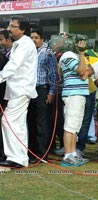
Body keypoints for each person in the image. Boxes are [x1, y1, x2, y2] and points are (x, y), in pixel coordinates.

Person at [0, 16, 38, 168]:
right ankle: (19, 158)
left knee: (9, 121)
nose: (9, 28)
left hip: (21, 89)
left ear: (22, 30)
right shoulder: (19, 44)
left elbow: (14, 65)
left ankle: (16, 157)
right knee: (18, 124)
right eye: (9, 25)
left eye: (13, 26)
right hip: (18, 89)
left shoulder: (25, 44)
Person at [27, 27, 57, 164]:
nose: (33, 40)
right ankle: (32, 152)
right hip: (30, 90)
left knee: (41, 123)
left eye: (36, 38)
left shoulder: (47, 53)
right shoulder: (30, 52)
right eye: (32, 37)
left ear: (42, 39)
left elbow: (53, 75)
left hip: (43, 90)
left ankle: (41, 154)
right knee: (31, 122)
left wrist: (51, 92)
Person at [58, 39, 90, 166]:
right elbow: (83, 72)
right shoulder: (68, 56)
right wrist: (82, 54)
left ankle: (73, 154)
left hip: (78, 93)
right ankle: (67, 155)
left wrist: (84, 69)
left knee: (75, 126)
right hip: (73, 94)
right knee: (70, 126)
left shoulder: (74, 57)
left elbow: (89, 71)